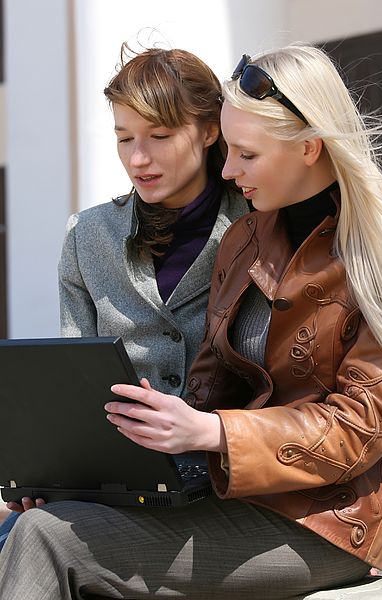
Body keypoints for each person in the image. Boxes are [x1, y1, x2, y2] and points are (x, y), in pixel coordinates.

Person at [0, 43, 382, 599]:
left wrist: (211, 431)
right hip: (223, 494)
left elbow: (363, 426)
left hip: (325, 523)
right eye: (123, 139)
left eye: (246, 155)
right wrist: (65, 472)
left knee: (47, 539)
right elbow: (211, 384)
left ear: (310, 147)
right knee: (36, 524)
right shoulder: (249, 237)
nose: (229, 171)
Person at [0, 43, 248, 551]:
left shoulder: (257, 222)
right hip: (119, 487)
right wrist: (48, 475)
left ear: (208, 130)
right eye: (123, 138)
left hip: (233, 487)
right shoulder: (87, 235)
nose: (138, 158)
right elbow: (72, 386)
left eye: (159, 136)